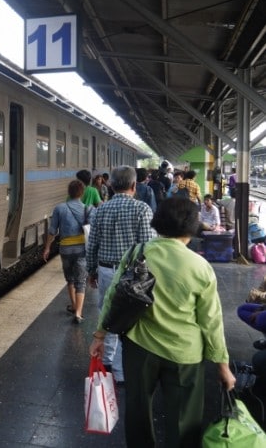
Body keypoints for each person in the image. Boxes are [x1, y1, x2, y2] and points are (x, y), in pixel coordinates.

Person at [89, 197, 236, 447]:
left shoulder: (137, 253)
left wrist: (100, 335)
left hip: (139, 347)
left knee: (137, 410)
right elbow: (211, 321)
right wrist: (222, 365)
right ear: (193, 225)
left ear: (157, 222)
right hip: (185, 355)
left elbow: (114, 297)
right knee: (184, 420)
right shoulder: (200, 267)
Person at [86, 165, 156, 385]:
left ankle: (106, 363)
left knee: (107, 314)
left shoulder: (100, 210)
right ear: (134, 185)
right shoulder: (142, 209)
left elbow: (92, 244)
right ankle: (121, 371)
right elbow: (147, 245)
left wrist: (90, 270)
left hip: (106, 270)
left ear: (111, 185)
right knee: (130, 317)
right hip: (132, 275)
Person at [43, 180, 93, 324]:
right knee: (81, 281)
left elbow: (52, 231)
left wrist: (47, 247)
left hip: (65, 249)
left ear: (68, 192)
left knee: (70, 279)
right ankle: (78, 312)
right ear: (82, 193)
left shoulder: (59, 208)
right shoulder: (88, 209)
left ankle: (73, 305)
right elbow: (92, 231)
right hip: (81, 250)